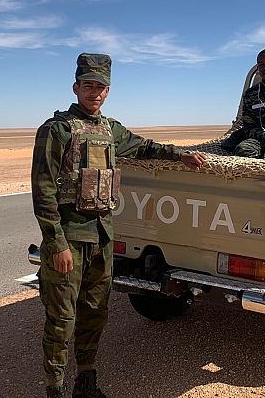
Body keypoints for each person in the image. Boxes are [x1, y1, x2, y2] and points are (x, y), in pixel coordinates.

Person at [32, 53, 206, 398]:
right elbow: (43, 190)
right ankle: (54, 389)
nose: (93, 92)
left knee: (95, 312)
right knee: (62, 319)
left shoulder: (110, 130)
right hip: (70, 238)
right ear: (76, 87)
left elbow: (144, 147)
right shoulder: (57, 130)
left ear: (107, 91)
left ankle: (86, 381)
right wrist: (56, 244)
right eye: (87, 85)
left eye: (99, 86)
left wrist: (180, 154)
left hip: (102, 237)